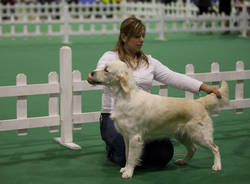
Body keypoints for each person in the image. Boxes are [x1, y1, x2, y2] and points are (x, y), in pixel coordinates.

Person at [89, 16, 221, 168]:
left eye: (143, 36)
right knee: (123, 152)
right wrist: (92, 78)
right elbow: (99, 75)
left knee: (164, 154)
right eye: (137, 36)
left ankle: (138, 150)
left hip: (143, 117)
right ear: (124, 37)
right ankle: (115, 148)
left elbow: (173, 77)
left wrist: (204, 87)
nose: (141, 40)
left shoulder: (149, 62)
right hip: (113, 116)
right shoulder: (110, 58)